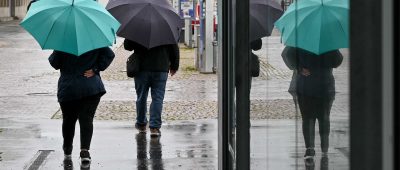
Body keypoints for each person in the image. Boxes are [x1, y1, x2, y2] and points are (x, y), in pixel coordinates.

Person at [49, 47, 115, 167]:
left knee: (69, 120)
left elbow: (54, 63)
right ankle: (85, 151)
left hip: (68, 87)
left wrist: (58, 50)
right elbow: (109, 54)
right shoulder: (93, 40)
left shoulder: (63, 42)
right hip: (90, 87)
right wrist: (95, 69)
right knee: (87, 119)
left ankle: (67, 149)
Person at [281, 47, 343, 163]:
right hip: (325, 86)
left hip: (305, 86)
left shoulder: (300, 39)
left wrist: (299, 68)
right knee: (324, 118)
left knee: (307, 118)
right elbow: (337, 61)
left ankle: (310, 148)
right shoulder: (328, 41)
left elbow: (286, 54)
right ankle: (324, 148)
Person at [124, 39, 179, 137]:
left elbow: (128, 46)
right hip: (161, 68)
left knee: (141, 97)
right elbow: (174, 48)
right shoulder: (166, 28)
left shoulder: (138, 27)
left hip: (142, 68)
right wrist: (174, 65)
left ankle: (141, 124)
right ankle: (154, 127)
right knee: (158, 98)